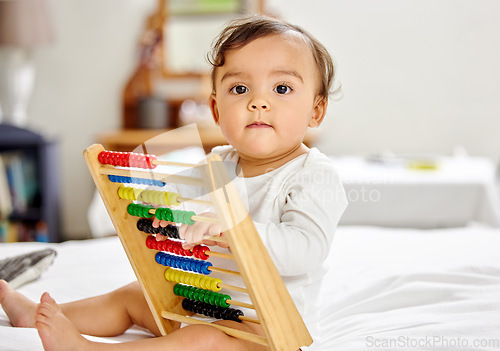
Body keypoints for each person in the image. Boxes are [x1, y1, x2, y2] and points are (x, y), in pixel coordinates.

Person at [0, 15, 347, 351]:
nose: (258, 102)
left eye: (282, 88)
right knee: (135, 294)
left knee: (202, 341)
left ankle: (86, 349)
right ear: (215, 110)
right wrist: (161, 211)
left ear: (316, 110)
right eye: (239, 88)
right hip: (212, 304)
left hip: (271, 333)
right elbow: (172, 201)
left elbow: (304, 251)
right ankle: (38, 316)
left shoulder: (314, 174)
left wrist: (230, 227)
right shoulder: (219, 163)